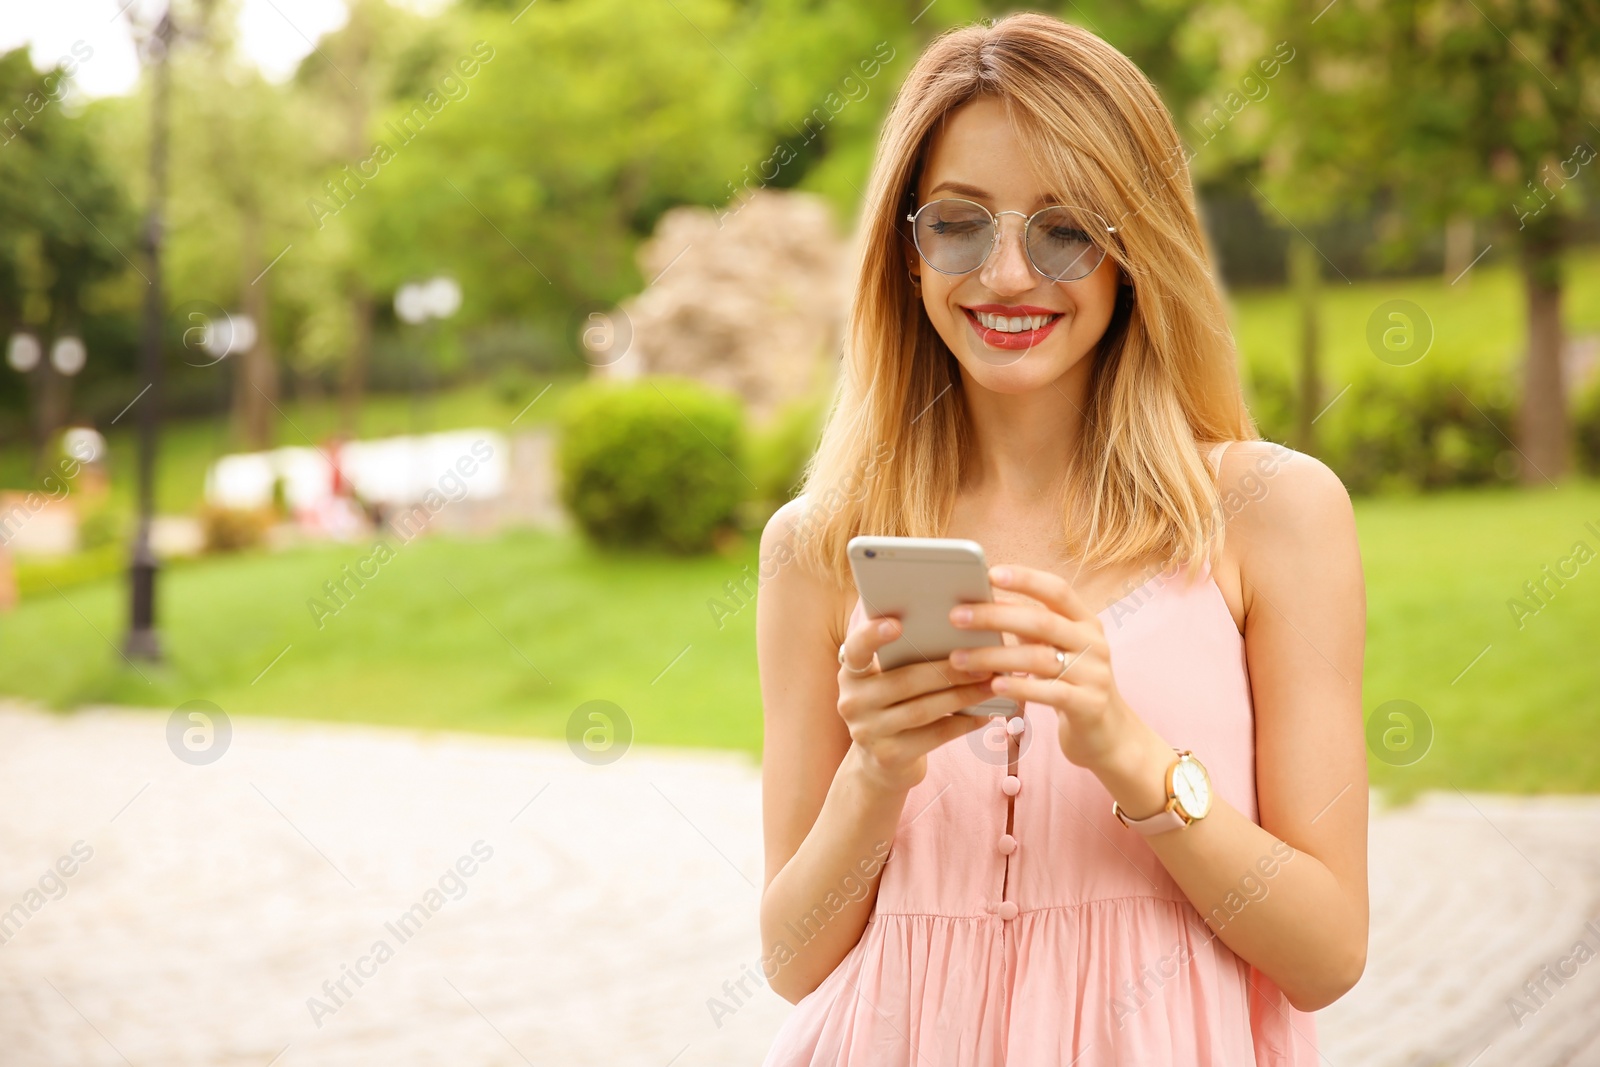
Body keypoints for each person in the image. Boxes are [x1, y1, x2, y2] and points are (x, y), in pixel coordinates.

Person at [756, 13, 1367, 1066]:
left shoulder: (1272, 511)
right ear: (905, 254)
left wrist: (1130, 755)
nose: (1003, 274)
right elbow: (791, 958)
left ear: (1133, 251)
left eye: (1064, 228)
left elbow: (1326, 951)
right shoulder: (817, 546)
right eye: (954, 223)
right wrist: (876, 767)